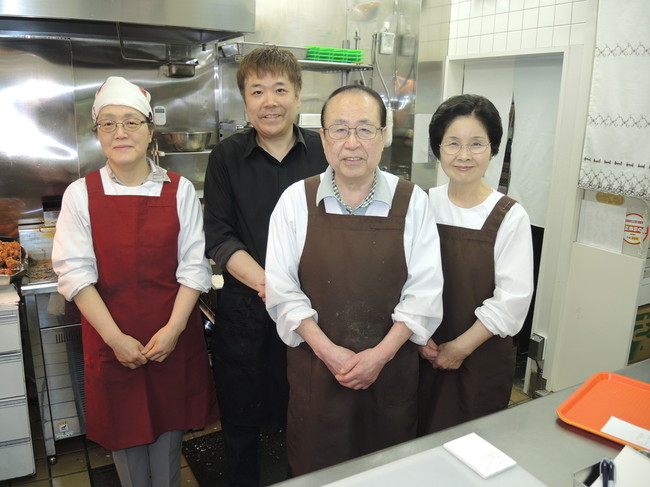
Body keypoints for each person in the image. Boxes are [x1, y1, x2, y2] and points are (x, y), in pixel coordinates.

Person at [265, 85, 444, 476]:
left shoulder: (413, 202)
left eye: (365, 129)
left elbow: (424, 293)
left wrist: (378, 356)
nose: (352, 143)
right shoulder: (295, 201)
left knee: (387, 473)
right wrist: (329, 352)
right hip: (317, 377)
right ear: (323, 138)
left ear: (384, 136)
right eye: (340, 129)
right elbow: (282, 292)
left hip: (390, 377)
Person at [52, 76, 218, 487]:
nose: (120, 132)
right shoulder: (79, 194)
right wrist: (115, 339)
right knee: (126, 443)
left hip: (172, 338)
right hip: (113, 340)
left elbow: (193, 268)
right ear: (97, 134)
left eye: (130, 122)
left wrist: (175, 329)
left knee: (168, 440)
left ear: (149, 130)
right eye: (108, 124)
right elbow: (75, 274)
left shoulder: (179, 191)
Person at [203, 46, 327, 486]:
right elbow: (218, 236)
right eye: (257, 91)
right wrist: (269, 284)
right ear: (245, 99)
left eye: (280, 89)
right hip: (247, 315)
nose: (269, 101)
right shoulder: (226, 158)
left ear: (297, 95)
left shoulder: (325, 152)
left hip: (316, 312)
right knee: (241, 423)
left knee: (309, 415)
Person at [417, 94, 534, 435]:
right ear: (437, 148)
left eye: (477, 144)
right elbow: (404, 278)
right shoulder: (422, 203)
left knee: (472, 446)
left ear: (493, 149)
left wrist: (459, 347)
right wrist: (418, 336)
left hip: (479, 358)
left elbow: (512, 301)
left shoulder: (509, 216)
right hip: (423, 351)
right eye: (452, 143)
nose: (464, 155)